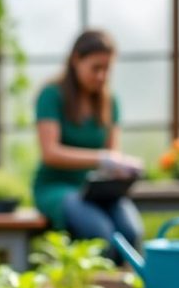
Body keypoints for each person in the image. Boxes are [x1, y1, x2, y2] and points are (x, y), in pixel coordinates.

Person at [33, 29, 144, 262]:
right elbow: (50, 153)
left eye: (107, 69)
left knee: (131, 231)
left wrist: (123, 167)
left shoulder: (110, 102)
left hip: (98, 189)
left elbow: (113, 153)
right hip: (57, 187)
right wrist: (101, 158)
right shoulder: (52, 95)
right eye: (96, 68)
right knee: (99, 232)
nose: (102, 76)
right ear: (76, 60)